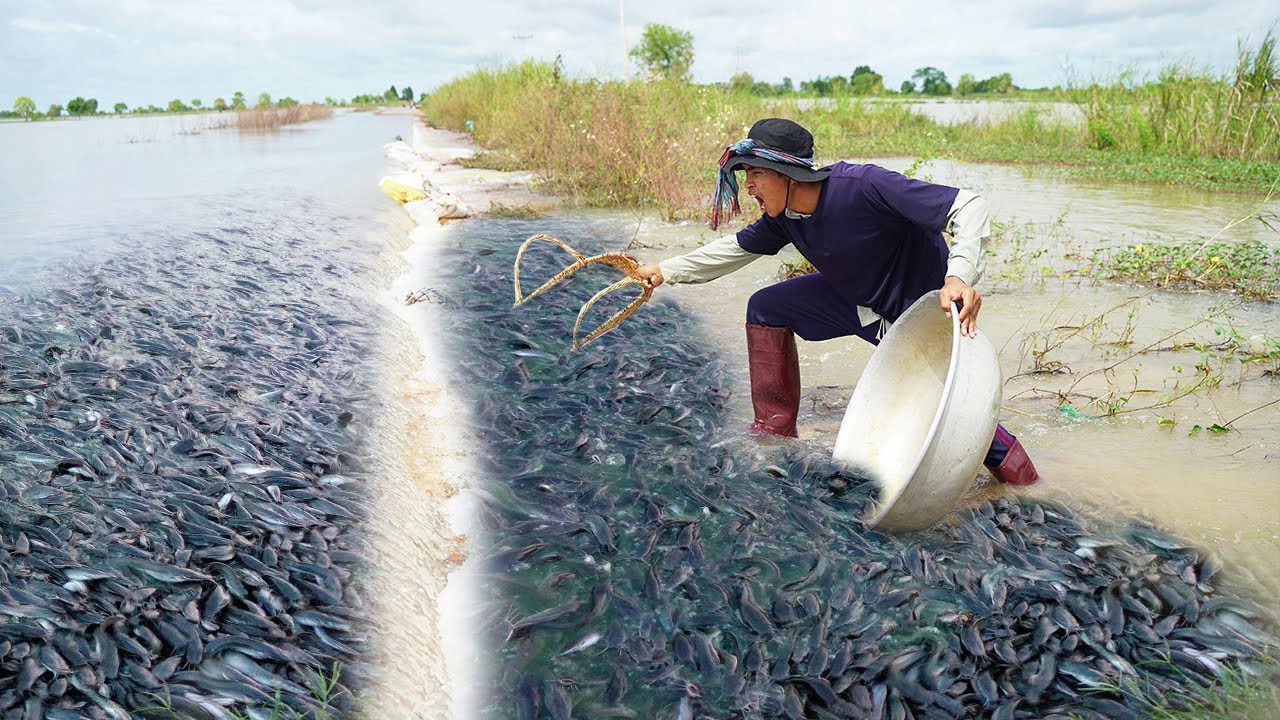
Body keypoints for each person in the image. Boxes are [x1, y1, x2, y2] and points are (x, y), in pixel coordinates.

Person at [634, 118, 1039, 486]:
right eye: (746, 176)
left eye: (756, 174)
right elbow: (737, 249)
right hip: (857, 302)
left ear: (788, 173)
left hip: (920, 317)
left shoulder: (864, 187)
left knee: (960, 418)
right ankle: (773, 435)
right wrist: (665, 270)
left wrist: (958, 278)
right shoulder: (785, 215)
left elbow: (968, 206)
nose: (749, 186)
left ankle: (1026, 486)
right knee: (766, 307)